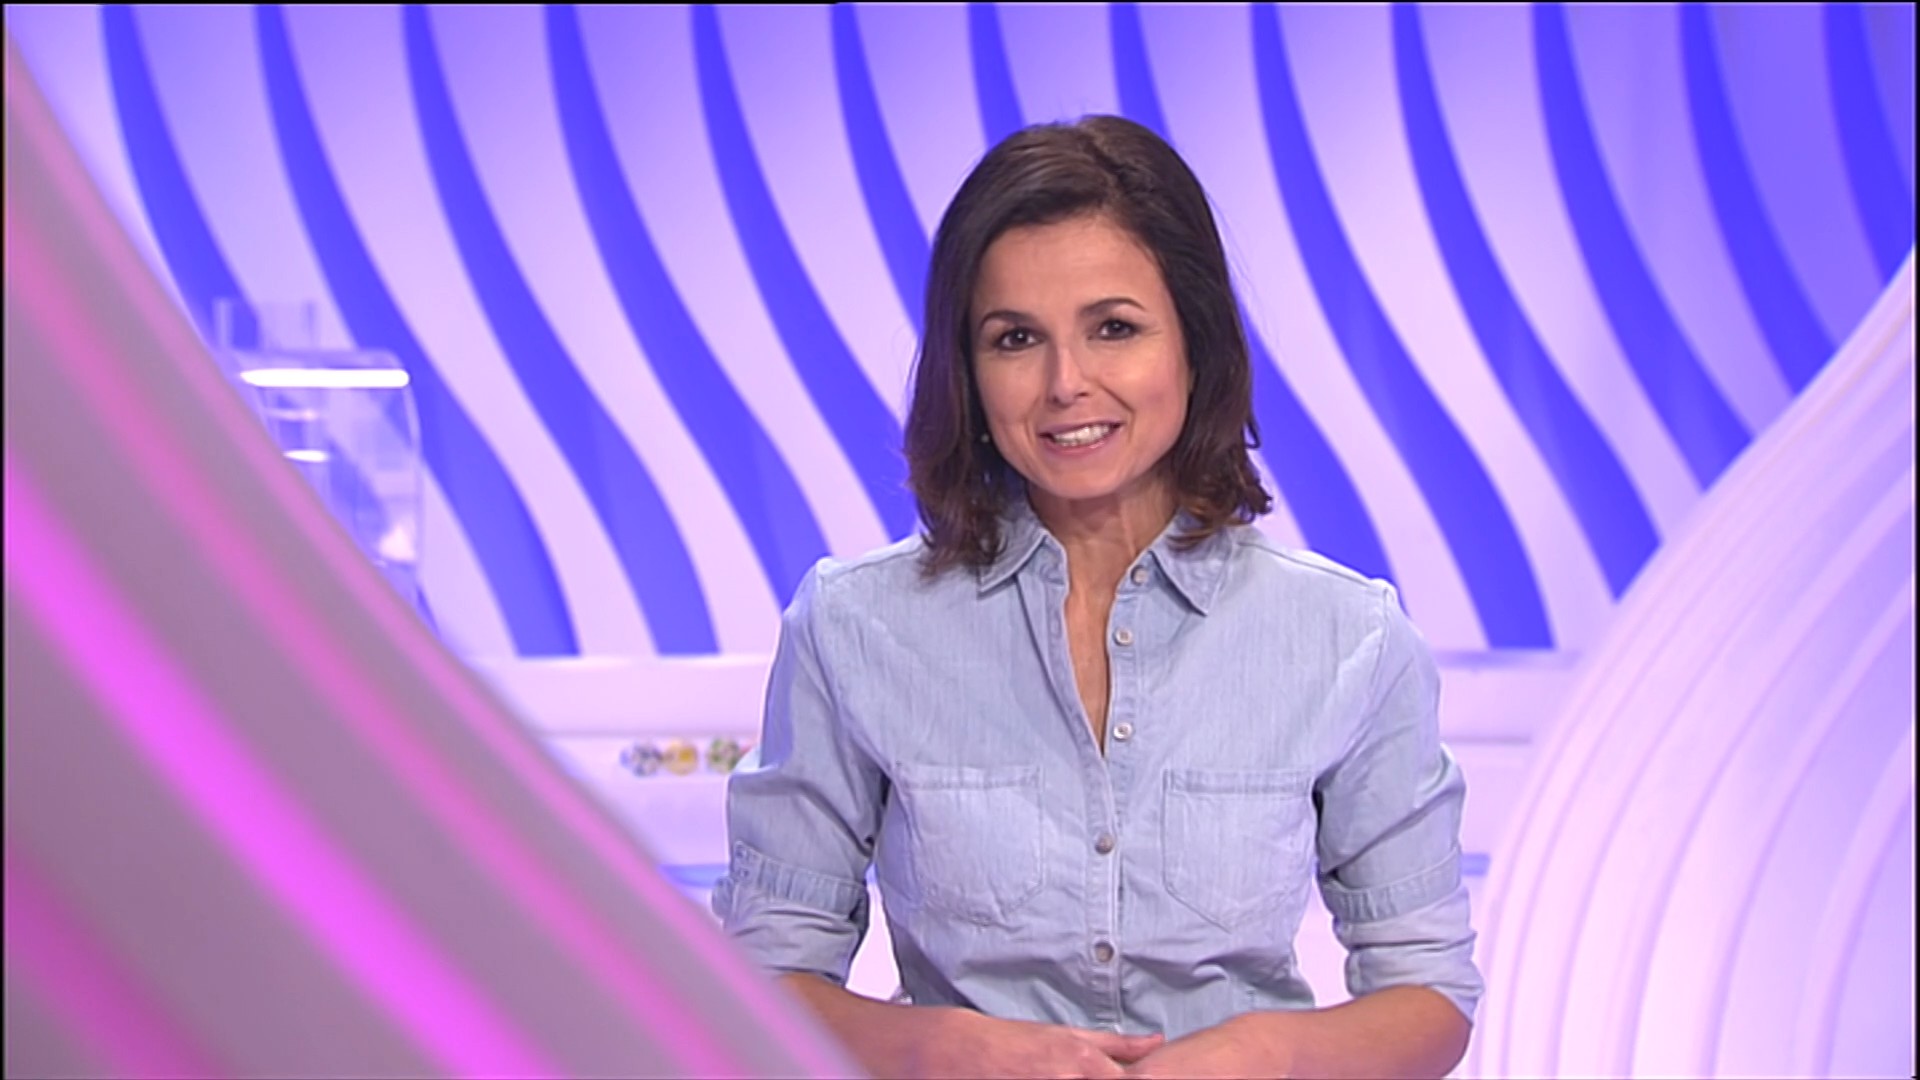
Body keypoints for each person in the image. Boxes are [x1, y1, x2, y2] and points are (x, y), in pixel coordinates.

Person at [713, 115, 1480, 1079]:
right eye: (1015, 339)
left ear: (1194, 344)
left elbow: (1428, 994)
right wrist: (943, 1048)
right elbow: (758, 984)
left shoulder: (1345, 636)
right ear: (967, 370)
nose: (1066, 384)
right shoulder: (854, 627)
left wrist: (1264, 1052)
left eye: (1114, 328)